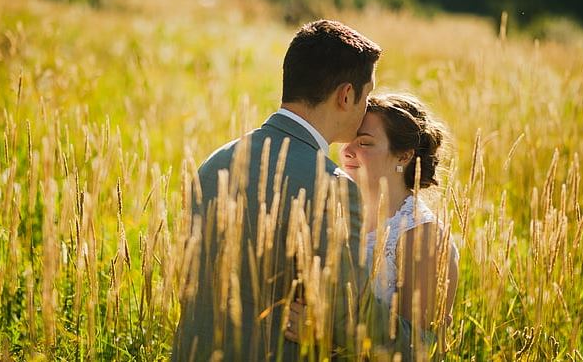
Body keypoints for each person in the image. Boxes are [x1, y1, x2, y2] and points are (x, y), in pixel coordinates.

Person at [171, 19, 382, 361]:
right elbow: (346, 316)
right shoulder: (331, 187)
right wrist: (422, 340)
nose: (366, 108)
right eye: (367, 94)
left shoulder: (215, 163)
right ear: (346, 95)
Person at [285, 93, 459, 360]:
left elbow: (418, 349)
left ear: (403, 156)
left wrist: (323, 336)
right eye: (347, 141)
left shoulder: (424, 236)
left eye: (364, 143)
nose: (346, 151)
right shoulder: (334, 215)